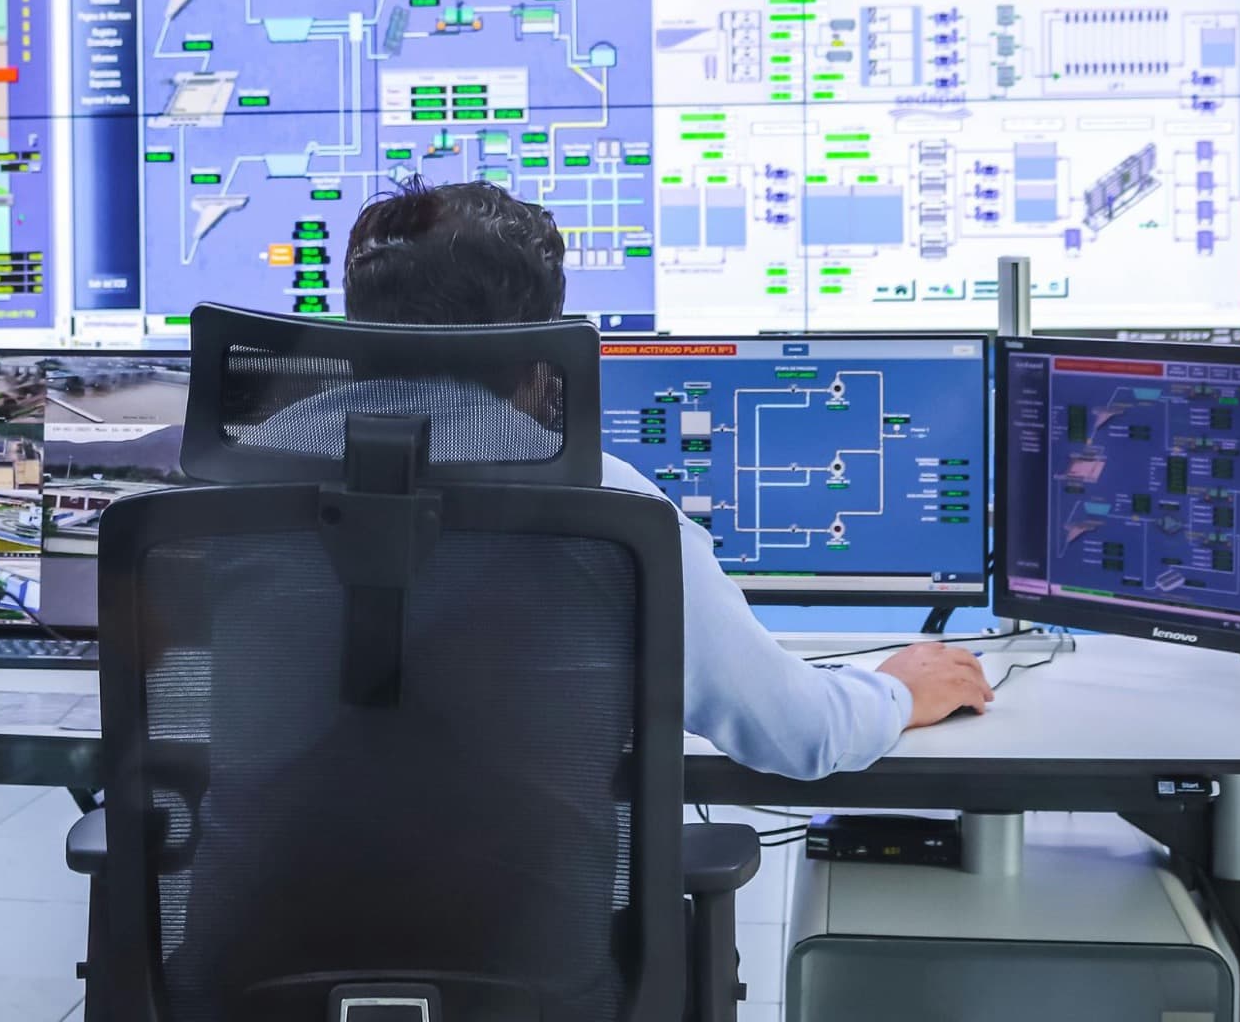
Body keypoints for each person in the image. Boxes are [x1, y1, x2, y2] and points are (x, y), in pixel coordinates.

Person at [321, 177, 993, 780]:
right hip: (541, 883)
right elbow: (800, 734)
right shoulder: (611, 514)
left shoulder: (259, 473)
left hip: (280, 877)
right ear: (540, 355)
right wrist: (899, 690)